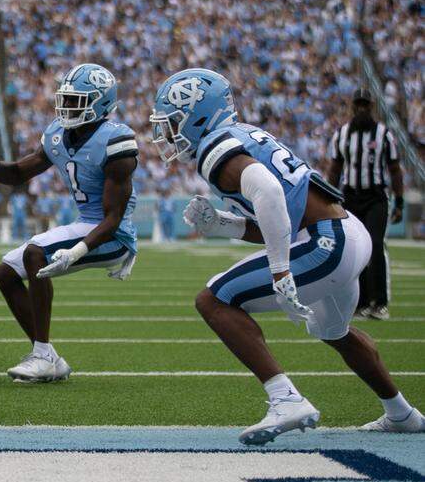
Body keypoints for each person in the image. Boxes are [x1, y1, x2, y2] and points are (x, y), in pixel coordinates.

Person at [150, 68, 423, 444]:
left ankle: (285, 399)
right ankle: (401, 413)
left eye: (174, 123)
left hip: (326, 242)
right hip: (347, 232)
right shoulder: (242, 134)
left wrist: (281, 272)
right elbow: (276, 220)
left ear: (199, 115)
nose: (167, 135)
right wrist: (223, 224)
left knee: (213, 300)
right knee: (335, 332)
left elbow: (269, 194)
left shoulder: (215, 147)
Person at [0, 64, 138, 383]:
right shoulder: (58, 134)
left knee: (36, 252)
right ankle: (49, 357)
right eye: (66, 99)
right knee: (5, 273)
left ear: (100, 104)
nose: (67, 107)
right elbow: (19, 172)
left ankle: (43, 355)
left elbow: (114, 218)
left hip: (113, 236)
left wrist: (77, 251)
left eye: (76, 101)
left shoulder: (116, 140)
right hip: (86, 225)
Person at [327, 88, 404, 320]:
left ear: (371, 108)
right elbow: (335, 168)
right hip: (350, 196)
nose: (361, 109)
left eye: (365, 105)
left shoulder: (384, 134)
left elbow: (394, 170)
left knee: (376, 245)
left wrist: (399, 200)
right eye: (358, 105)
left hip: (376, 196)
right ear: (353, 107)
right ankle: (360, 303)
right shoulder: (342, 134)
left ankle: (379, 303)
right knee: (354, 248)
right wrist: (329, 196)